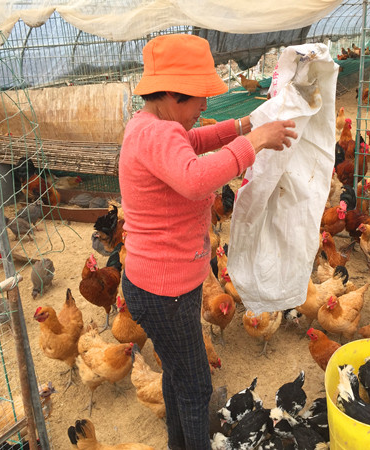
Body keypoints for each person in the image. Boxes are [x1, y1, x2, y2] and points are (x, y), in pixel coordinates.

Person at [118, 34, 297, 450]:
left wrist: (246, 124)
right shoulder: (158, 135)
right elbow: (196, 178)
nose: (204, 104)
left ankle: (178, 444)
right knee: (197, 386)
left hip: (155, 286)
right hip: (165, 292)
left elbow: (196, 141)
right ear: (173, 93)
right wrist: (254, 141)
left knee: (178, 375)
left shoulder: (152, 126)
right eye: (200, 96)